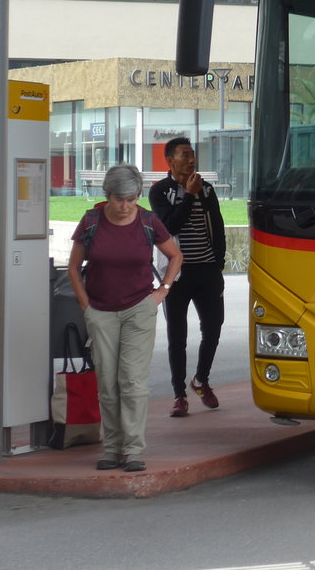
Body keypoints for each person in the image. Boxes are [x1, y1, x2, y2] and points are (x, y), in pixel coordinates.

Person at [67, 164, 181, 472]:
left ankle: (133, 450)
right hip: (101, 311)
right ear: (108, 196)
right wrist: (86, 305)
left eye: (131, 199)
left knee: (132, 381)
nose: (125, 206)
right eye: (119, 199)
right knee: (108, 382)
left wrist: (163, 290)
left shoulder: (147, 221)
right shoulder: (91, 220)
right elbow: (73, 267)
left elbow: (175, 255)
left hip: (138, 309)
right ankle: (112, 447)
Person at [149, 136, 227, 418]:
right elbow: (168, 227)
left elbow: (217, 226)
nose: (192, 160)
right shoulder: (159, 192)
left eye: (193, 154)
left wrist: (218, 262)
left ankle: (201, 380)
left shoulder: (206, 189)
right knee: (177, 335)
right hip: (176, 274)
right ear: (170, 161)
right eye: (185, 155)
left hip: (206, 271)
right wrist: (189, 195)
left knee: (213, 327)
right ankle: (179, 395)